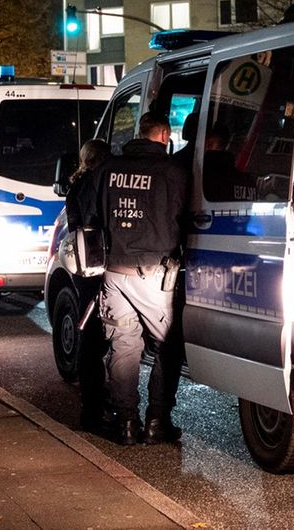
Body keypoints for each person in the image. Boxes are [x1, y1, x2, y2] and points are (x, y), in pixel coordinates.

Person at [88, 112, 189, 446]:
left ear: (140, 132)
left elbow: (90, 214)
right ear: (164, 135)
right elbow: (187, 218)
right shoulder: (173, 172)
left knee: (123, 345)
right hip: (154, 275)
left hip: (115, 273)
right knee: (168, 346)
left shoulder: (107, 169)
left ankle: (126, 422)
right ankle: (157, 420)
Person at [64, 138, 111, 430]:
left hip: (84, 265)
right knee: (95, 336)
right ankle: (95, 408)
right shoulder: (96, 184)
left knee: (90, 333)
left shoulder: (77, 185)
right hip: (97, 263)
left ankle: (92, 404)